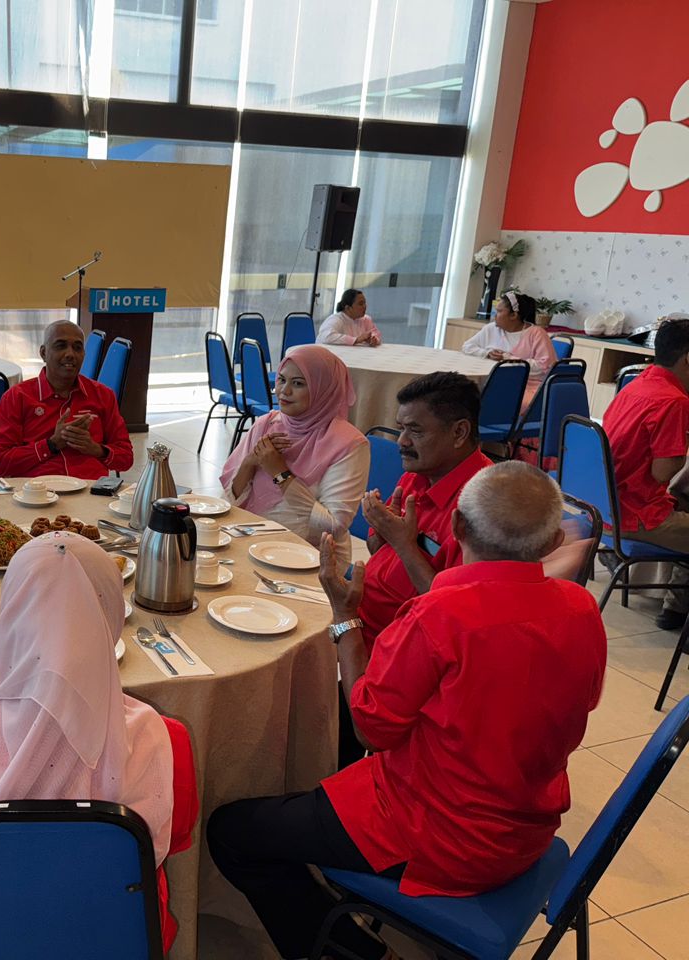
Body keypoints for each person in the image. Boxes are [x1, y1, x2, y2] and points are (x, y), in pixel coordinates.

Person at [208, 461, 606, 960]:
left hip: (438, 833)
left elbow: (370, 726)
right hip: (528, 827)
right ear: (553, 543)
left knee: (232, 832)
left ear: (457, 527)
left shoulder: (439, 615)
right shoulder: (580, 607)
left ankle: (354, 952)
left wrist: (346, 620)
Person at [0, 532, 197, 953]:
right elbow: (174, 839)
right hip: (114, 940)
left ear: (10, 614)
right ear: (112, 615)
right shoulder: (164, 739)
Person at [342, 371, 491, 767]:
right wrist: (383, 536)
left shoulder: (481, 508)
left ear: (459, 432)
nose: (401, 442)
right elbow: (382, 553)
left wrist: (405, 545)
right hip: (364, 616)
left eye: (415, 431)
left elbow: (453, 619)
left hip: (397, 649)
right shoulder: (417, 475)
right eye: (400, 428)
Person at [219, 345, 369, 568]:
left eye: (298, 383)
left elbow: (333, 525)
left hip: (312, 557)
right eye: (281, 380)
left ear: (323, 389)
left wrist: (279, 473)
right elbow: (228, 501)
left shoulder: (348, 443)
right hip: (251, 542)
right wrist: (250, 462)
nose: (284, 391)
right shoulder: (266, 424)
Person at [601, 317, 689, 630]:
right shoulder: (674, 401)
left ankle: (674, 611)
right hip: (635, 514)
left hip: (605, 504)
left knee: (682, 498)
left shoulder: (637, 383)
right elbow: (663, 472)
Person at [0, 321, 134, 480]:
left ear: (84, 355)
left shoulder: (103, 395)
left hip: (89, 489)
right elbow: (2, 464)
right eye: (60, 346)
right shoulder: (17, 397)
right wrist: (51, 444)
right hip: (37, 490)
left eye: (77, 348)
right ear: (43, 353)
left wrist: (96, 449)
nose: (70, 354)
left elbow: (126, 459)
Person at [462, 292, 556, 411]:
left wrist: (507, 358)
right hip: (492, 381)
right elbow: (467, 346)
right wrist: (487, 353)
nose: (494, 315)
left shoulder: (536, 333)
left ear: (513, 315)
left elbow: (545, 366)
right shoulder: (491, 329)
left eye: (499, 311)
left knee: (484, 401)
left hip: (525, 386)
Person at [317, 289, 381, 347]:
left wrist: (373, 339)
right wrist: (356, 340)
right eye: (361, 304)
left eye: (365, 303)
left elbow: (376, 334)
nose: (365, 306)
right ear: (348, 308)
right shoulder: (336, 319)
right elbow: (326, 336)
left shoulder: (366, 319)